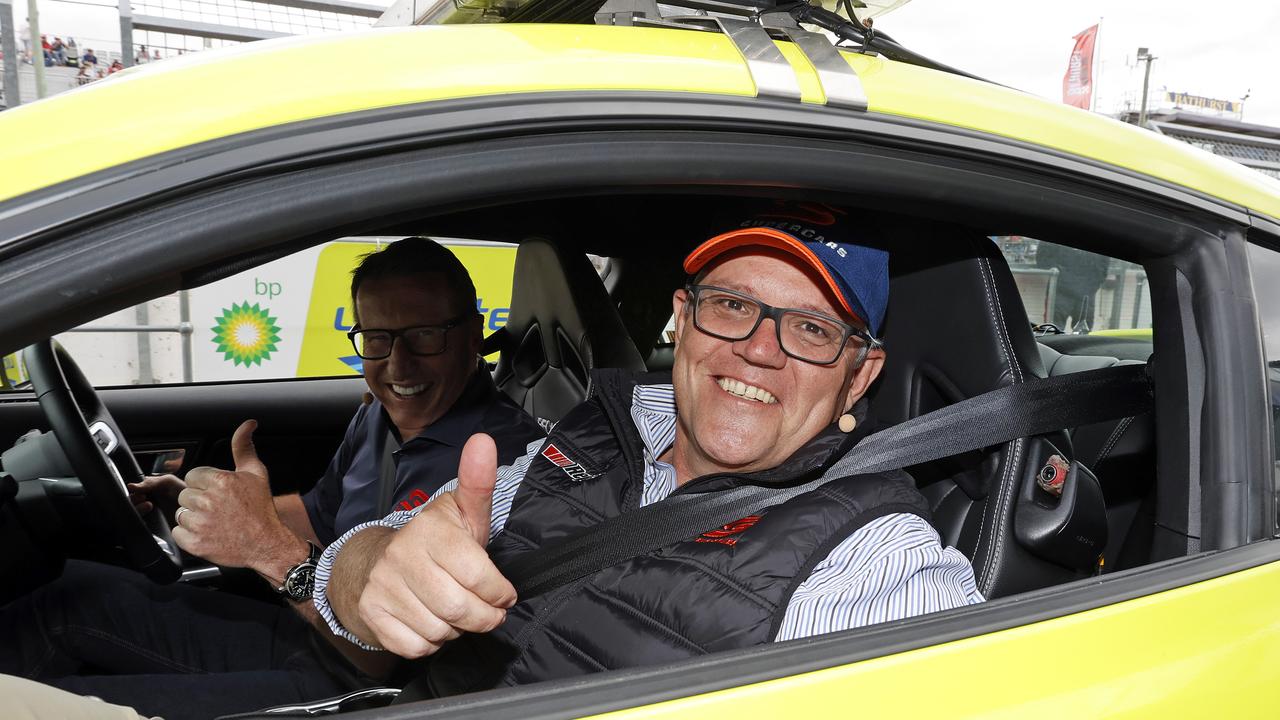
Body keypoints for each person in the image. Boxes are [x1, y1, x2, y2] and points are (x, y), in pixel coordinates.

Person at [317, 205, 983, 696]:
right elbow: (370, 567)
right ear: (684, 319)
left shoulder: (876, 559)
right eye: (731, 305)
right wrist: (369, 568)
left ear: (858, 377)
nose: (757, 348)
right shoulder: (592, 431)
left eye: (811, 329)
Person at [0, 238, 545, 719]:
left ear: (473, 335)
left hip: (365, 687)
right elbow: (317, 512)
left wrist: (263, 546)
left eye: (425, 335)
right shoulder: (380, 414)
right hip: (305, 630)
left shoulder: (502, 464)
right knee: (70, 593)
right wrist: (198, 501)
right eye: (377, 338)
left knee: (51, 703)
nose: (398, 366)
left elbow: (380, 655)